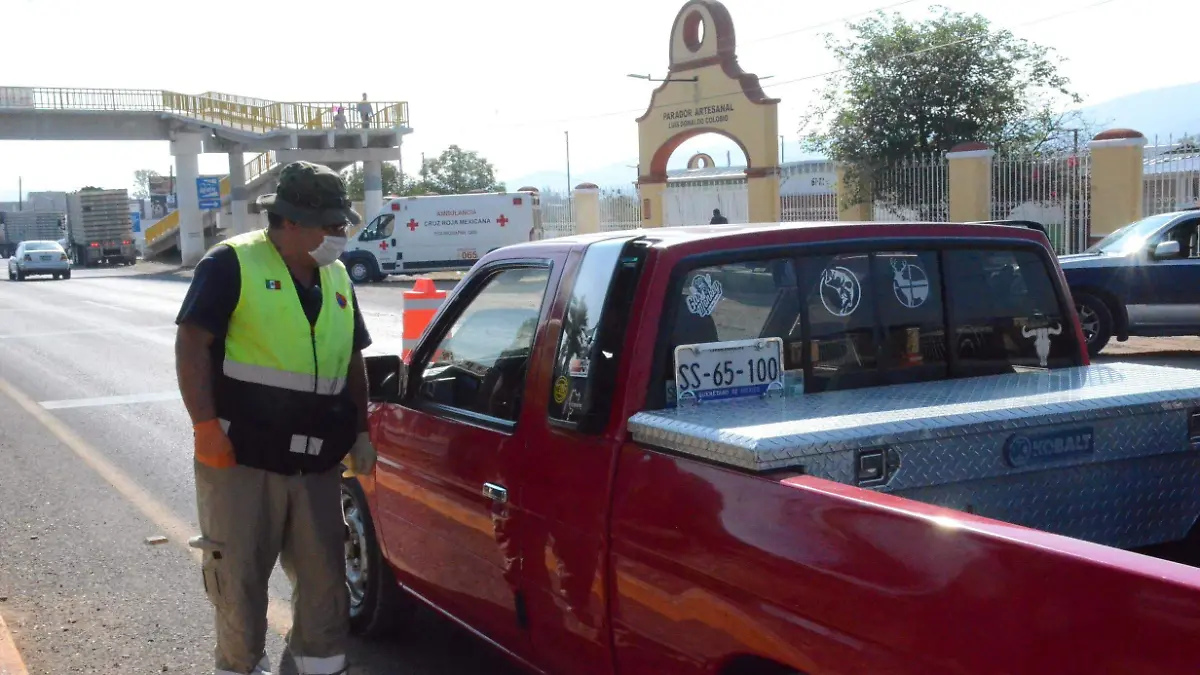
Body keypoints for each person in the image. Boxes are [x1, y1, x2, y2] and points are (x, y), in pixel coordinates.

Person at [175, 161, 377, 675]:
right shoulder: (231, 264)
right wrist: (204, 429)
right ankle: (240, 667)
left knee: (325, 582)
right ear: (288, 220)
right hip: (242, 459)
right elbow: (192, 343)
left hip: (317, 465)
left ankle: (320, 667)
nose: (340, 234)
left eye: (342, 224)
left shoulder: (335, 276)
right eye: (330, 224)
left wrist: (360, 431)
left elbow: (352, 358)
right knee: (238, 579)